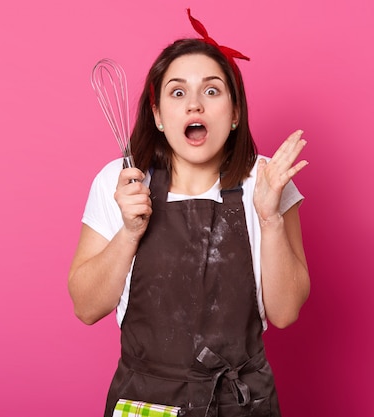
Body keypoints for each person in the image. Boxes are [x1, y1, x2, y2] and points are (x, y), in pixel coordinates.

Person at [69, 9, 310, 417]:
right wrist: (128, 232)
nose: (195, 104)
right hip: (146, 400)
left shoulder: (267, 179)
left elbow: (285, 313)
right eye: (178, 93)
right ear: (159, 116)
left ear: (235, 113)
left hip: (240, 403)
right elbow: (86, 307)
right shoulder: (123, 181)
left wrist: (269, 218)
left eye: (212, 91)